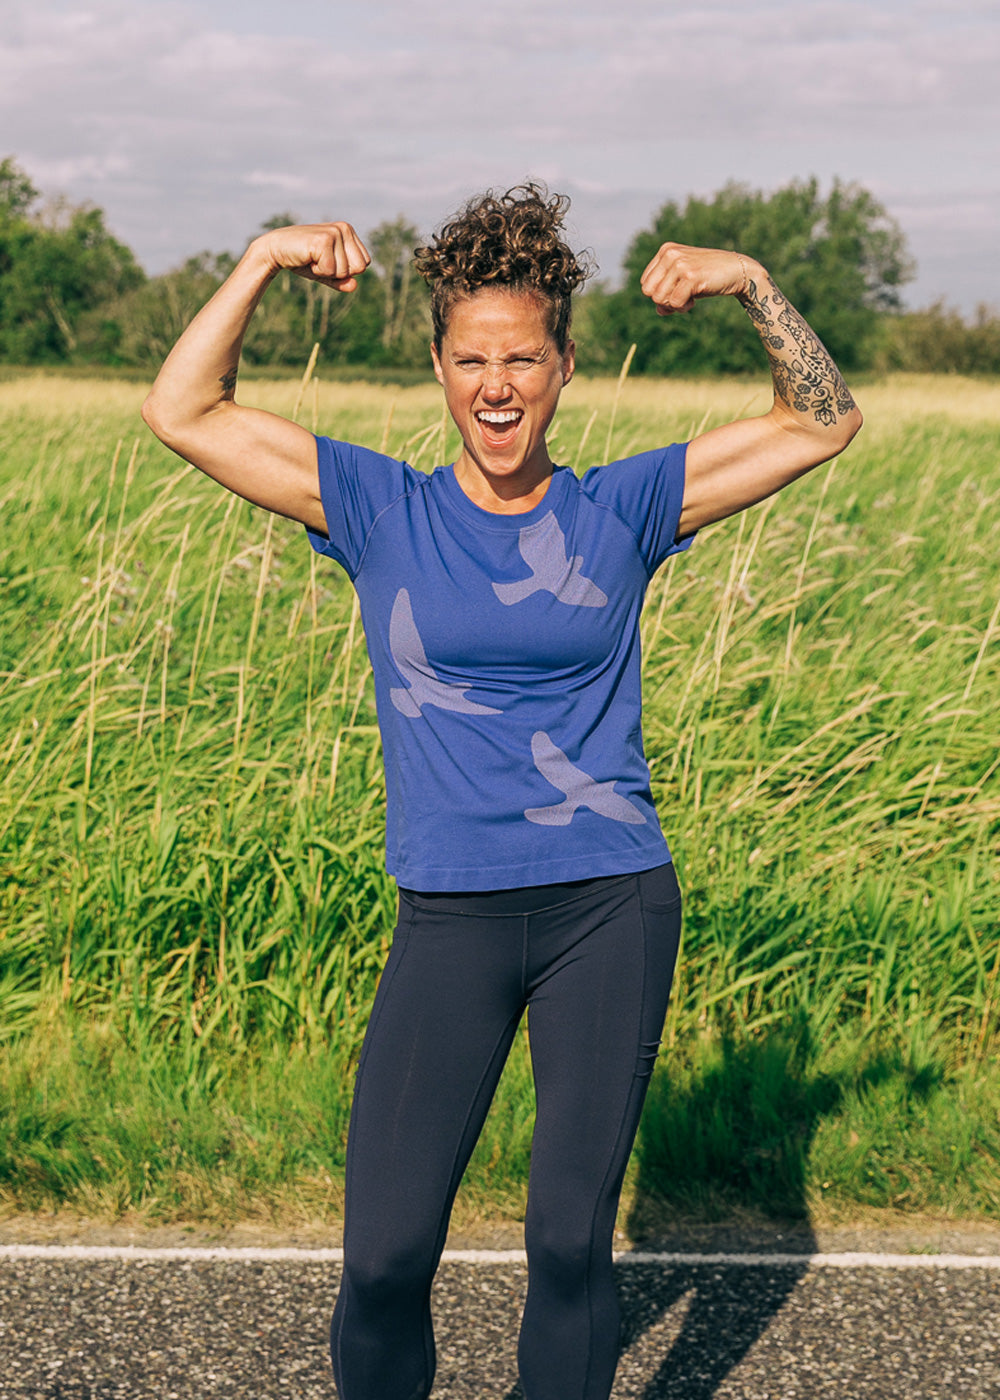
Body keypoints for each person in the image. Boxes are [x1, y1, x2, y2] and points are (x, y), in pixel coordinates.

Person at [141, 184, 861, 1400]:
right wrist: (263, 256)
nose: (496, 384)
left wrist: (750, 283)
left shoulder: (622, 506)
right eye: (471, 358)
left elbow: (822, 422)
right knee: (381, 1257)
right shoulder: (378, 506)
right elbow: (182, 408)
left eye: (522, 356)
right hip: (450, 912)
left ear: (564, 366)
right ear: (437, 367)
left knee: (568, 1245)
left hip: (608, 908)